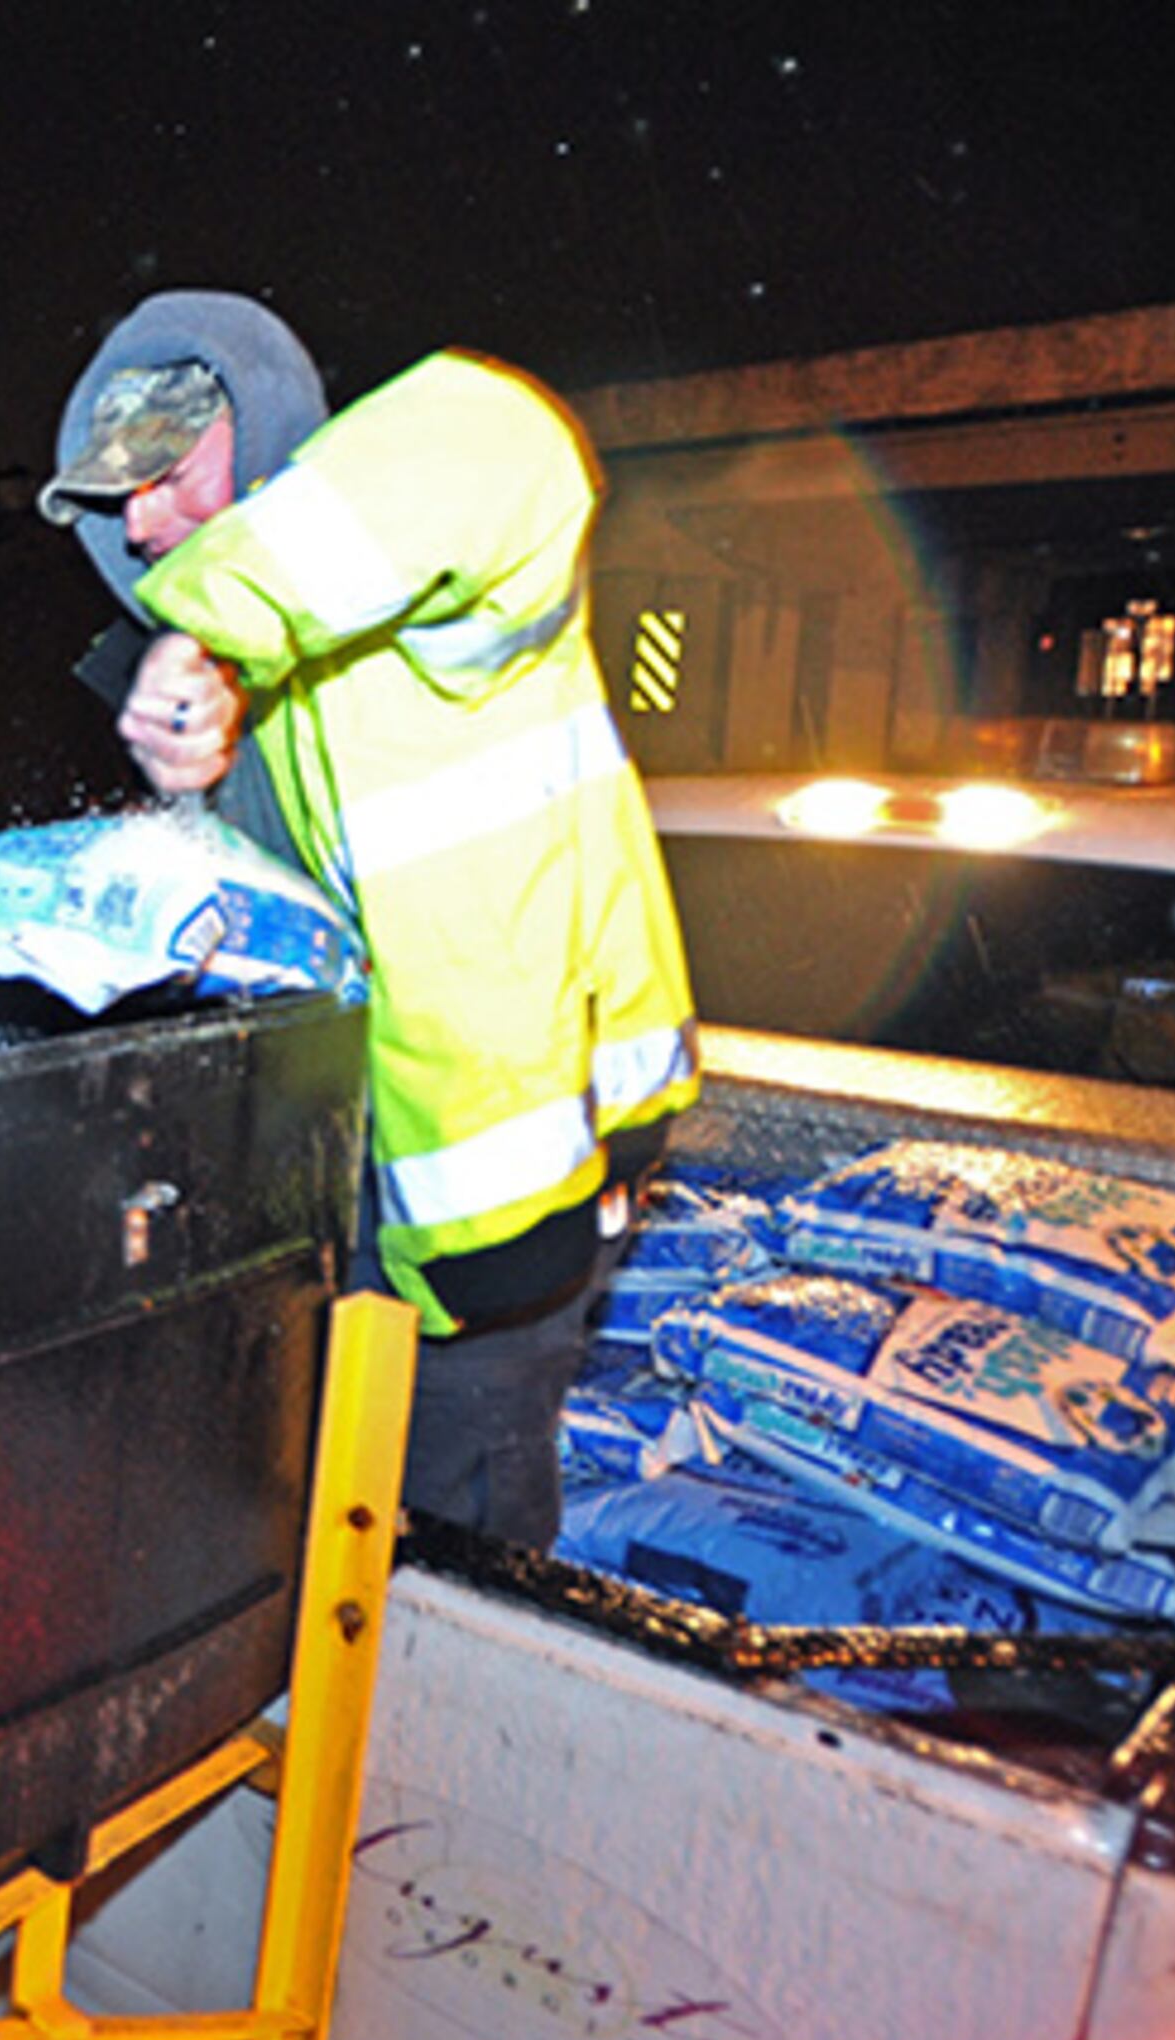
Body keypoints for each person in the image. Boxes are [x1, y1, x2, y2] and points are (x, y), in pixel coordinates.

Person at [40, 291, 700, 1547]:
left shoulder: (435, 591)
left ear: (269, 415)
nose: (143, 519)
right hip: (333, 1215)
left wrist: (206, 635)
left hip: (510, 1203)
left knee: (455, 1578)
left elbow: (504, 438)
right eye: (112, 499)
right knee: (315, 1557)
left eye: (171, 469)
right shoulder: (202, 691)